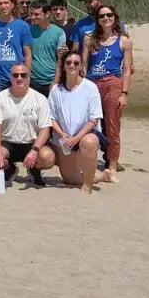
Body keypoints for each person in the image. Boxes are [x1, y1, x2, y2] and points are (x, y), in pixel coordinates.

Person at [83, 4, 132, 179]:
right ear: (97, 20)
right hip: (92, 84)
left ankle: (111, 164)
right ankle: (89, 161)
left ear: (115, 17)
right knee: (90, 124)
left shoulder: (124, 40)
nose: (106, 18)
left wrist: (124, 93)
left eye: (109, 15)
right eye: (102, 16)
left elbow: (127, 69)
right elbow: (84, 65)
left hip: (113, 83)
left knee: (112, 126)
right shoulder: (90, 39)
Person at [0, 64, 56, 186]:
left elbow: (45, 128)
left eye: (23, 75)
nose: (19, 78)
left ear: (29, 78)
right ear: (11, 78)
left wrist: (34, 150)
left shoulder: (40, 99)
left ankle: (34, 170)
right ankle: (9, 169)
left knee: (48, 157)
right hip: (7, 143)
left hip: (31, 143)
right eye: (15, 75)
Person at [50, 51, 110, 194]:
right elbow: (51, 117)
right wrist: (62, 134)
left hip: (86, 134)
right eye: (68, 63)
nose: (72, 66)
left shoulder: (90, 87)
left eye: (76, 63)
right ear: (63, 66)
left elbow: (94, 119)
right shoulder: (56, 90)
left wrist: (77, 137)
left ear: (81, 66)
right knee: (70, 178)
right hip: (64, 137)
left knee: (88, 142)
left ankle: (87, 186)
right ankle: (103, 176)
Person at [27, 0, 67, 96]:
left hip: (51, 81)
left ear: (47, 14)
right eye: (31, 14)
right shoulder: (28, 30)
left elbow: (60, 59)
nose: (33, 17)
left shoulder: (59, 33)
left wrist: (56, 81)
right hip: (32, 82)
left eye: (36, 14)